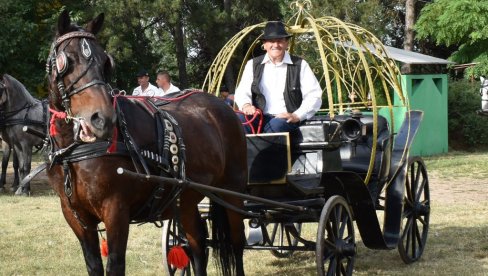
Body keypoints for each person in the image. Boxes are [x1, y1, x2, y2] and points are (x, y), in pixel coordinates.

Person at [234, 21, 322, 133]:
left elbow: (314, 95)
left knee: (275, 126)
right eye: (271, 41)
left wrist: (296, 115)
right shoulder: (252, 64)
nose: (275, 45)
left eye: (280, 41)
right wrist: (246, 105)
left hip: (286, 119)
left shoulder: (300, 64)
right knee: (238, 120)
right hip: (259, 117)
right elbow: (242, 91)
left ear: (286, 44)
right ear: (264, 45)